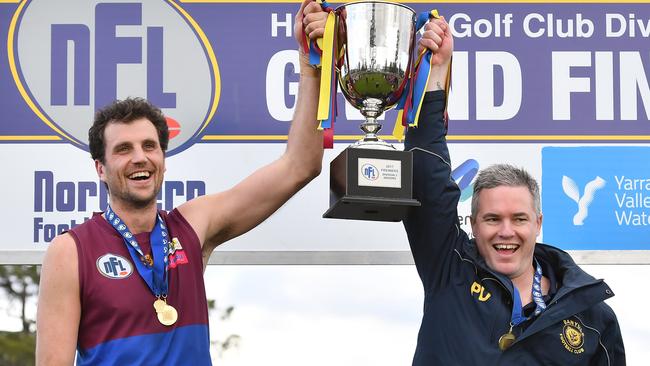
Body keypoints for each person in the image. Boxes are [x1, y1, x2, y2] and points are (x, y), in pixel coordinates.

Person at [35, 1, 328, 364]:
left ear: (162, 159)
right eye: (123, 149)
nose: (139, 157)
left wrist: (310, 64)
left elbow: (300, 165)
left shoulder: (191, 226)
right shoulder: (70, 250)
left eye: (149, 146)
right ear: (100, 168)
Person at [404, 17, 625, 365]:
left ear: (537, 223)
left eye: (518, 218)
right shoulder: (451, 267)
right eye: (492, 218)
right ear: (474, 224)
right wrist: (438, 69)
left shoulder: (594, 317)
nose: (506, 231)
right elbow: (427, 178)